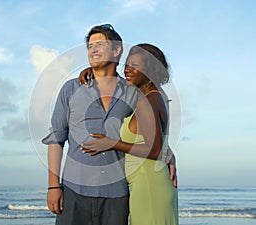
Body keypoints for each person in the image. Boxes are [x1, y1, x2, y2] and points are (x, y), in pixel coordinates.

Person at [42, 24, 143, 225]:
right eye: (89, 46)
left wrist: (168, 154)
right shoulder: (70, 88)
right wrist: (53, 186)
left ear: (116, 50)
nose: (93, 50)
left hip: (116, 194)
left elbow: (149, 132)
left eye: (100, 44)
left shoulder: (134, 94)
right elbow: (56, 139)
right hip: (73, 191)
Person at [80, 43, 179, 225]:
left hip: (149, 186)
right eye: (127, 65)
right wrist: (93, 71)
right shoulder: (155, 94)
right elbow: (158, 139)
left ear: (150, 69)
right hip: (152, 184)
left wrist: (111, 143)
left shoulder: (147, 100)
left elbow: (155, 150)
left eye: (135, 66)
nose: (128, 70)